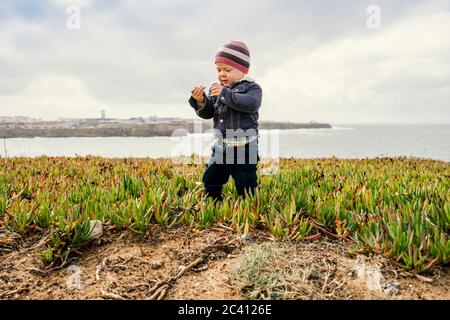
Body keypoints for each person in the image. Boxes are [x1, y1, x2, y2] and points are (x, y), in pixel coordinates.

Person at [188, 40, 262, 202]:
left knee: (246, 182)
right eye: (219, 69)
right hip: (221, 147)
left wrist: (224, 94)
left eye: (227, 70)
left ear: (242, 71)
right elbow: (209, 113)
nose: (222, 74)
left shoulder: (252, 88)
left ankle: (249, 206)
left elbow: (251, 104)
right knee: (211, 178)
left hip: (245, 148)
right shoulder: (217, 89)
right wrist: (201, 101)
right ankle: (212, 202)